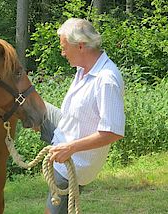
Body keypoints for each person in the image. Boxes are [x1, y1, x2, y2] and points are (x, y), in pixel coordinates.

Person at [39, 18, 125, 214]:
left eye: (64, 47)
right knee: (28, 102)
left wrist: (69, 148)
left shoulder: (106, 80)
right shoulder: (83, 68)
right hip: (64, 133)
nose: (62, 53)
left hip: (73, 163)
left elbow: (112, 132)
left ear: (80, 46)